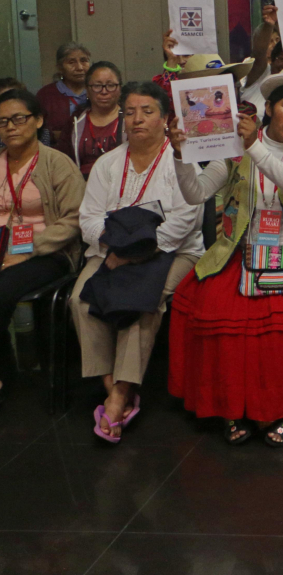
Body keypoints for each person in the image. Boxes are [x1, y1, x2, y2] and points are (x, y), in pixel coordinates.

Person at [167, 66, 283, 446]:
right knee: (219, 308)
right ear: (269, 109)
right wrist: (182, 156)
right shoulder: (234, 149)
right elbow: (196, 194)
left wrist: (252, 147)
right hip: (243, 250)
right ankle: (234, 405)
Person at [74, 82, 203, 441]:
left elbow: (185, 219)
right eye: (129, 112)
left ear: (165, 119)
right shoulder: (108, 164)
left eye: (147, 111)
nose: (137, 119)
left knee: (139, 303)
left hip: (171, 252)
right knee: (79, 299)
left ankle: (116, 400)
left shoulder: (181, 160)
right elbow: (88, 219)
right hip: (109, 252)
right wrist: (118, 248)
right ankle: (114, 384)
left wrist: (134, 253)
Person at [0, 89, 86, 406]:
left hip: (49, 251)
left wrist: (25, 249)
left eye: (18, 119)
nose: (10, 127)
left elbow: (75, 219)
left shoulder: (57, 164)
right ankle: (5, 372)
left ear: (37, 121)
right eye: (2, 122)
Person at [59, 61, 125, 177]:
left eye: (110, 85)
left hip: (121, 182)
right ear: (87, 90)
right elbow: (63, 161)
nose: (104, 91)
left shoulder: (129, 119)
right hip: (82, 184)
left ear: (119, 88)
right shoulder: (75, 121)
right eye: (97, 86)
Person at [36, 42, 92, 150]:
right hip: (58, 154)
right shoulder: (46, 95)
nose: (79, 67)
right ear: (60, 67)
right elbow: (36, 130)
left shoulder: (97, 91)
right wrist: (56, 135)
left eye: (84, 61)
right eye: (71, 62)